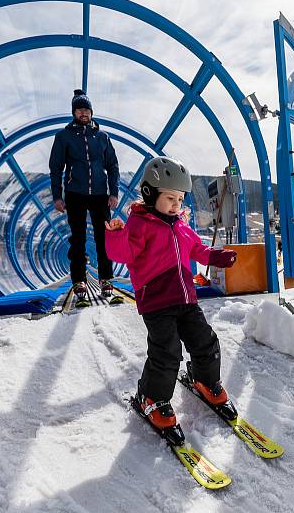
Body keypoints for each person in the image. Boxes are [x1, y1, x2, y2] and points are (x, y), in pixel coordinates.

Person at [104, 156, 237, 429]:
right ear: (150, 194)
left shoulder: (181, 225)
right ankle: (151, 398)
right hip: (156, 302)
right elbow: (122, 253)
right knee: (167, 351)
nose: (177, 205)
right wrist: (116, 234)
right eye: (170, 198)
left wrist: (217, 256)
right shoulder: (140, 224)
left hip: (186, 299)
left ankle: (205, 380)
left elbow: (196, 250)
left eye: (180, 199)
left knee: (205, 341)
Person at [50, 89, 119, 306]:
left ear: (91, 111)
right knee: (78, 239)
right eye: (79, 109)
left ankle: (106, 279)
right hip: (75, 194)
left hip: (99, 194)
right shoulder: (64, 136)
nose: (83, 113)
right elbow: (56, 167)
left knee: (104, 237)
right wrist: (57, 196)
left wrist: (114, 192)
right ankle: (79, 281)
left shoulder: (102, 137)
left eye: (86, 109)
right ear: (74, 112)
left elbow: (113, 165)